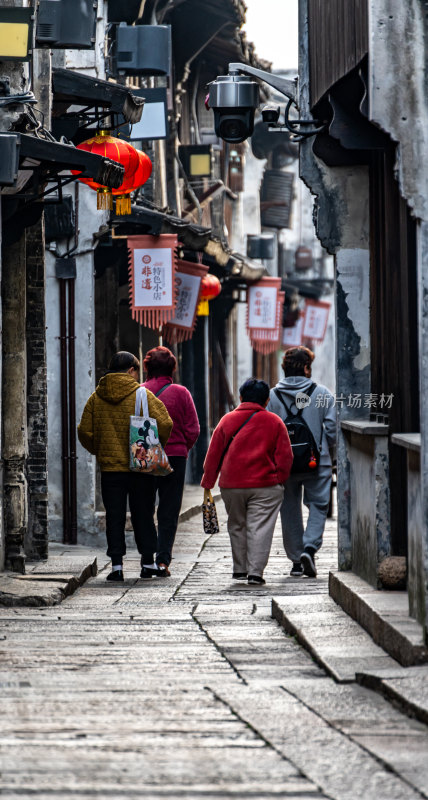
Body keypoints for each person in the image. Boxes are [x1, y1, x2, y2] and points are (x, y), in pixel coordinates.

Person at [77, 351, 173, 582]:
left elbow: (84, 431)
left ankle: (117, 566)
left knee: (115, 516)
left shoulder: (96, 397)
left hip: (110, 469)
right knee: (143, 514)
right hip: (140, 466)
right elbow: (166, 423)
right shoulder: (143, 394)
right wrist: (154, 446)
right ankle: (148, 563)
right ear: (131, 370)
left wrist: (99, 450)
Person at [201, 378, 293, 586]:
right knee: (259, 527)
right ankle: (255, 572)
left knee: (237, 525)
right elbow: (285, 457)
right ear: (267, 401)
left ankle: (240, 569)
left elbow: (213, 455)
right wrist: (279, 479)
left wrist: (208, 482)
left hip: (232, 484)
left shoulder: (226, 420)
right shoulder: (275, 422)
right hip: (265, 485)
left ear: (241, 397)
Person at [267, 346, 336, 578]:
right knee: (318, 505)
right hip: (317, 461)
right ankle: (309, 548)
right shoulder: (322, 393)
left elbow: (266, 430)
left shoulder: (272, 396)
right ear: (307, 368)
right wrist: (328, 452)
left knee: (289, 509)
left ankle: (296, 561)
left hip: (285, 464)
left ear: (284, 368)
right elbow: (333, 430)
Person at [139, 346, 200, 578]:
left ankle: (147, 559)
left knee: (144, 507)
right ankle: (163, 560)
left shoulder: (140, 391)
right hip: (175, 456)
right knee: (169, 509)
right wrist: (181, 447)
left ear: (147, 367)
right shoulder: (181, 392)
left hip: (145, 455)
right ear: (173, 367)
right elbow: (193, 429)